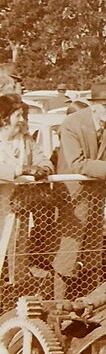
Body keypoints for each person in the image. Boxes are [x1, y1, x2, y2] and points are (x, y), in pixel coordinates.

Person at [53, 82, 106, 298]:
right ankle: (58, 302)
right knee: (70, 247)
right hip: (73, 193)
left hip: (97, 191)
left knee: (93, 245)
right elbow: (77, 163)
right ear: (93, 105)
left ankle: (90, 299)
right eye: (105, 106)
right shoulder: (72, 123)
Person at [0, 94, 52, 297]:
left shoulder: (27, 142)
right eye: (18, 115)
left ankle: (11, 297)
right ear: (5, 117)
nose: (22, 120)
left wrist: (42, 169)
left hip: (18, 209)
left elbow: (45, 162)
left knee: (15, 257)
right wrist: (22, 169)